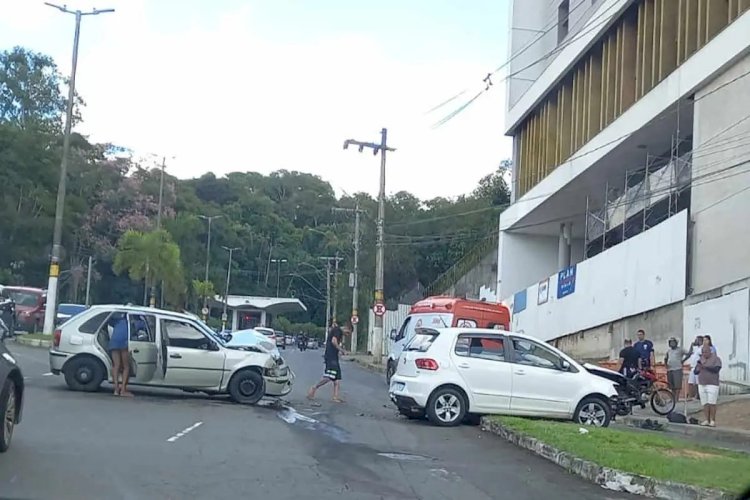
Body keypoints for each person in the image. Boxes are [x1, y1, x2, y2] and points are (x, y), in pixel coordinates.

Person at [308, 319, 346, 403]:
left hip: (334, 357)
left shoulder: (337, 331)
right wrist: (341, 350)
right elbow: (334, 341)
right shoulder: (338, 330)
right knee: (329, 377)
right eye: (347, 333)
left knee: (337, 379)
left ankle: (335, 397)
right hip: (331, 357)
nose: (346, 335)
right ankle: (314, 387)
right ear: (347, 328)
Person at [694, 344, 722, 427]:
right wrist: (698, 366)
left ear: (710, 351)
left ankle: (713, 420)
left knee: (712, 403)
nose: (704, 353)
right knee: (705, 403)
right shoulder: (701, 359)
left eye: (706, 352)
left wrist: (705, 367)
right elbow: (696, 372)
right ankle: (707, 420)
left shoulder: (716, 359)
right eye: (703, 352)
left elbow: (716, 369)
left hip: (712, 384)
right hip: (702, 383)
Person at [108, 313, 133, 397]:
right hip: (124, 343)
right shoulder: (132, 322)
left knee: (116, 365)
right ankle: (123, 390)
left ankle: (116, 389)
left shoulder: (117, 321)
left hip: (114, 342)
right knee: (126, 366)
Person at [686, 335, 704, 400]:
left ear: (700, 341)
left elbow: (703, 357)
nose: (695, 341)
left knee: (698, 382)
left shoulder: (702, 348)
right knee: (691, 382)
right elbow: (689, 353)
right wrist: (691, 345)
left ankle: (698, 395)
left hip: (698, 368)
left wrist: (699, 365)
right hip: (692, 367)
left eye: (696, 340)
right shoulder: (696, 348)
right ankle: (692, 395)